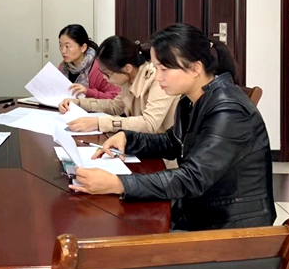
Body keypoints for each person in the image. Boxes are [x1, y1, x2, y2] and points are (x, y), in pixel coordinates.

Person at [69, 24, 275, 231]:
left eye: (164, 69)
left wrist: (119, 184)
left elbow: (192, 178)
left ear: (195, 68)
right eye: (156, 68)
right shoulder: (191, 99)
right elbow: (173, 141)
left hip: (230, 228)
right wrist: (128, 139)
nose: (158, 77)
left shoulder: (228, 110)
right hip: (199, 211)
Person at [59, 36, 178, 137]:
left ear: (127, 68)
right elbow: (115, 106)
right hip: (141, 142)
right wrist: (79, 102)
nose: (104, 77)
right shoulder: (128, 79)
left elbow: (149, 123)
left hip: (162, 150)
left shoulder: (158, 80)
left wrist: (99, 123)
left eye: (108, 73)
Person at [57, 24, 119, 99]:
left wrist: (88, 92)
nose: (63, 51)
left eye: (67, 46)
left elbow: (114, 97)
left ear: (83, 47)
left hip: (91, 106)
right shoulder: (62, 66)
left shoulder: (100, 68)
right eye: (60, 45)